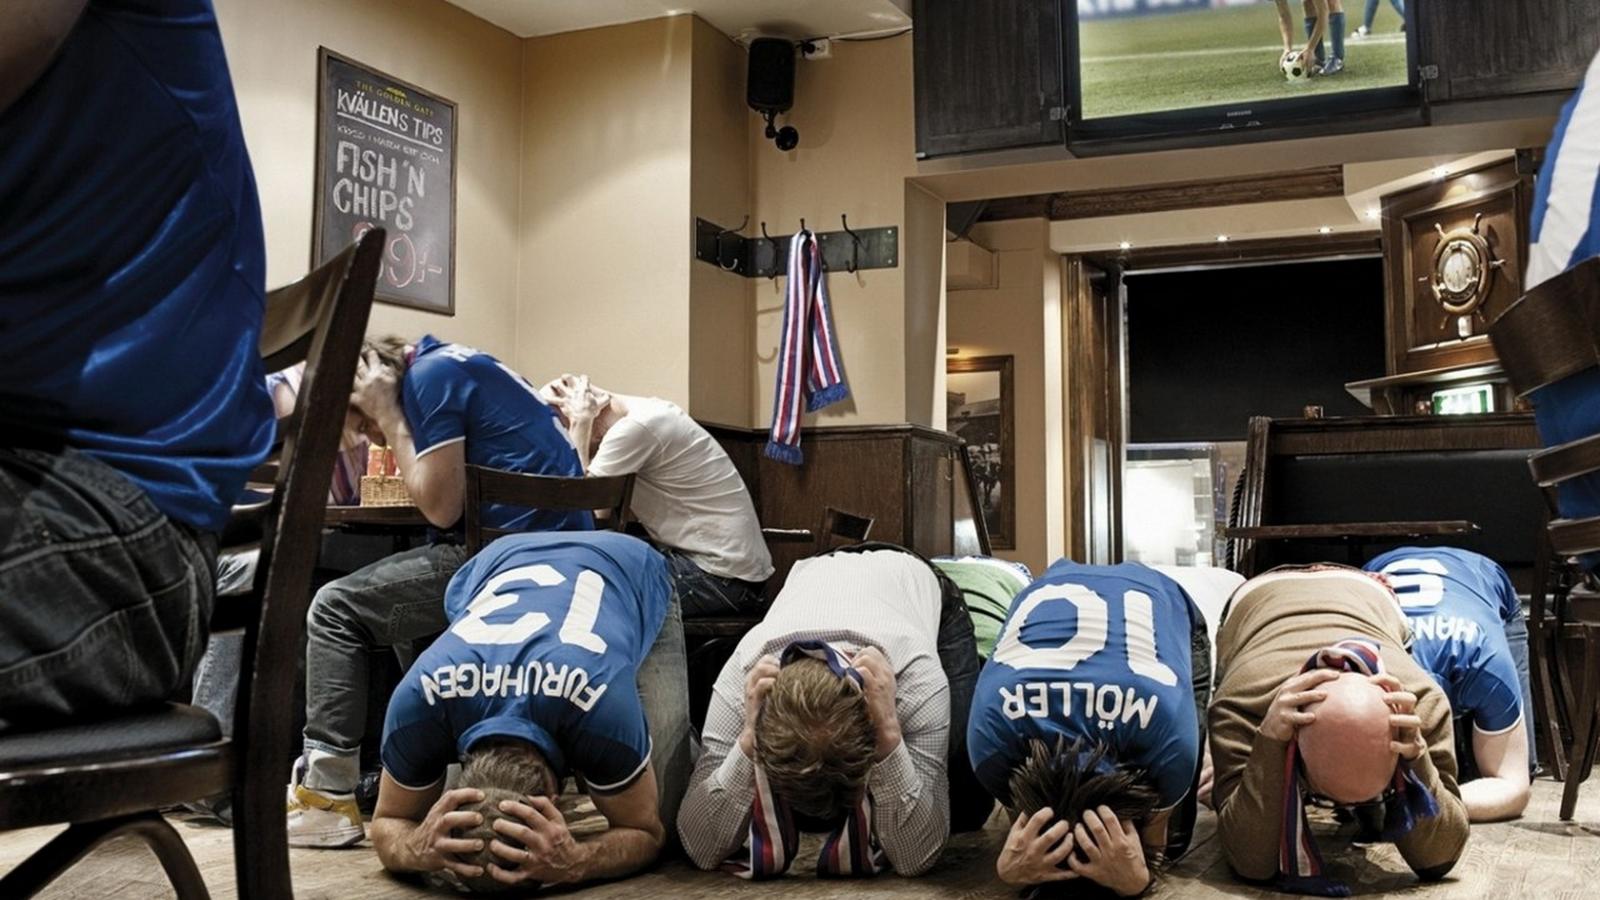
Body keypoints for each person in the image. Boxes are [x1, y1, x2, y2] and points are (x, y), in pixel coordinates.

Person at [0, 0, 273, 731]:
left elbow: (441, 505)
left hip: (120, 510)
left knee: (341, 605)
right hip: (76, 493)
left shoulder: (444, 381)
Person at [289, 335, 591, 847]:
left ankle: (327, 797)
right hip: (556, 550)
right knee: (405, 618)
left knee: (335, 608)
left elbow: (440, 507)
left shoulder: (430, 377)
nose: (373, 438)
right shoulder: (457, 362)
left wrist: (388, 416)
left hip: (509, 558)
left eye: (363, 424)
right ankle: (431, 780)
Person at [371, 530, 689, 893]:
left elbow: (648, 833)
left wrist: (578, 861)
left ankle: (664, 745)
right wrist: (415, 845)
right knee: (632, 783)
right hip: (501, 559)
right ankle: (633, 757)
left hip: (628, 568)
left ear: (556, 802)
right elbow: (388, 820)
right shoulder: (417, 701)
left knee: (670, 828)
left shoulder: (602, 713)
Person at [677, 544, 991, 878]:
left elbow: (917, 856)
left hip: (916, 583)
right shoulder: (747, 670)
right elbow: (700, 847)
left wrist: (888, 733)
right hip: (819, 571)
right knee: (814, 795)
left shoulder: (915, 675)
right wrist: (748, 740)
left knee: (966, 808)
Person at [1209, 566, 1469, 894]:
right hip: (1257, 596)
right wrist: (1268, 745)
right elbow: (1251, 861)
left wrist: (1417, 760)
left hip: (1367, 592)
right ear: (1294, 747)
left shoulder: (1420, 702)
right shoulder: (1241, 705)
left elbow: (1439, 857)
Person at [966, 561, 1210, 898]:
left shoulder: (1170, 747)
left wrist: (1137, 877)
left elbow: (1023, 836)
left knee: (1174, 841)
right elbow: (1025, 835)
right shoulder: (989, 747)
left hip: (1156, 594)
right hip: (1081, 587)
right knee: (1172, 843)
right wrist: (1139, 879)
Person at [540, 375, 773, 616]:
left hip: (720, 579)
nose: (567, 441)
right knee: (586, 574)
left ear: (588, 411)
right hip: (730, 575)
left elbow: (588, 512)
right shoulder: (649, 413)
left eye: (565, 430)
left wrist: (581, 425)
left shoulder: (634, 428)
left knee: (585, 591)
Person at [1365, 547, 1533, 821]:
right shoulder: (1359, 666)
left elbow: (1514, 790)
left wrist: (1416, 803)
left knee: (1523, 768)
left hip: (1481, 573)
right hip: (1380, 568)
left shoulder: (1486, 666)